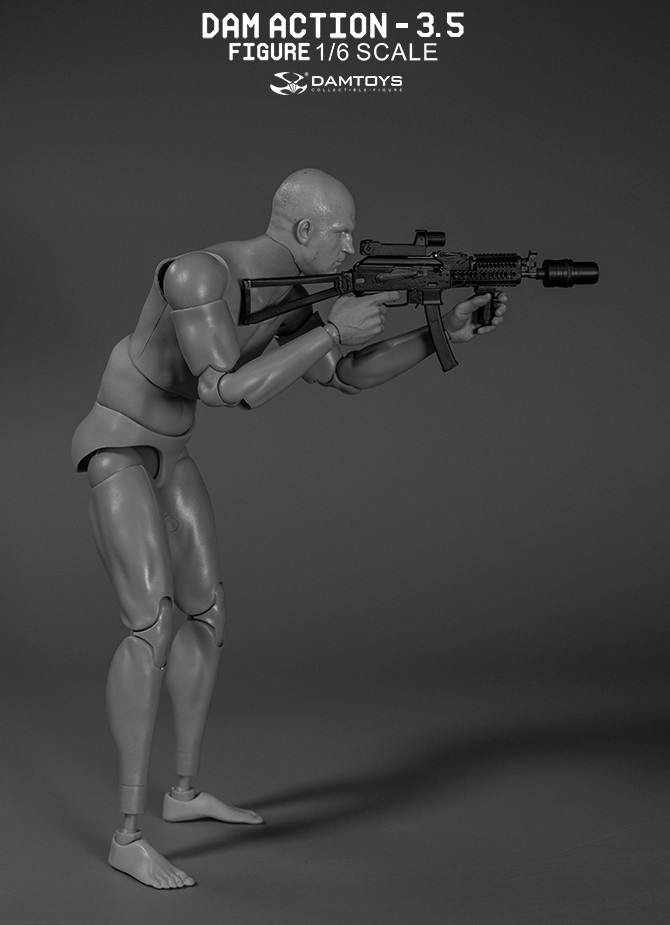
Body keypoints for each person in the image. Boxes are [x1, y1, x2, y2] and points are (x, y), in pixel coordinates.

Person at [72, 168, 506, 889]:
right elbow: (223, 388)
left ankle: (182, 794)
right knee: (151, 625)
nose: (351, 246)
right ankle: (127, 835)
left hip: (172, 450)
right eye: (341, 232)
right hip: (118, 444)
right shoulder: (199, 274)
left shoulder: (296, 294)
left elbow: (348, 374)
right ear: (303, 230)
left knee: (207, 612)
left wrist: (440, 334)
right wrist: (332, 326)